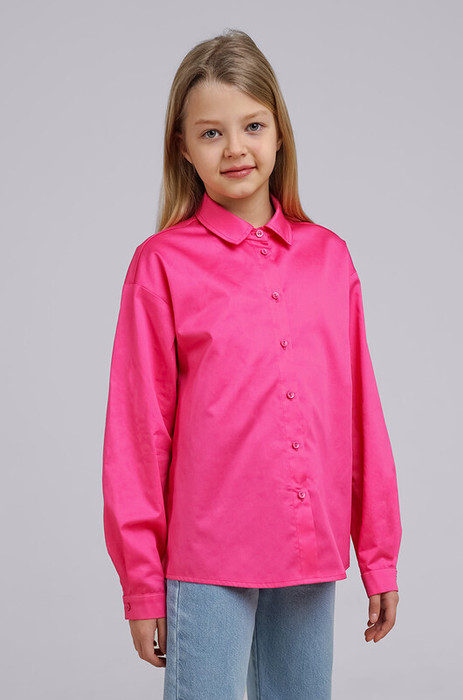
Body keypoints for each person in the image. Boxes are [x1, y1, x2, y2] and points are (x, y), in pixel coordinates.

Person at [102, 28, 402, 700]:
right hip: (208, 557)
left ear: (279, 133)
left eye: (252, 125)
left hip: (309, 549)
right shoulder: (161, 265)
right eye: (211, 133)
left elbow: (360, 416)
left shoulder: (330, 259)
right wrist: (142, 583)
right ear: (183, 148)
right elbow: (138, 436)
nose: (235, 147)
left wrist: (378, 556)